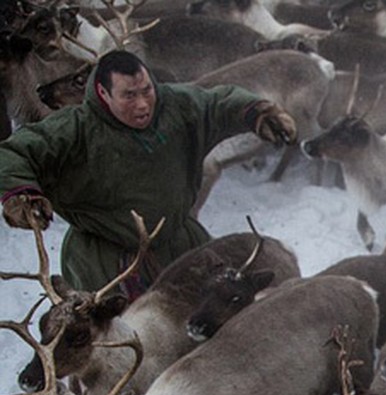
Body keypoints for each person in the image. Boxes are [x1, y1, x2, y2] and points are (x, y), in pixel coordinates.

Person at [0, 49, 297, 297]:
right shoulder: (74, 128)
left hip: (180, 244)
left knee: (209, 327)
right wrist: (20, 195)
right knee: (116, 344)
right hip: (107, 261)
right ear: (103, 93)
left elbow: (219, 103)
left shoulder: (175, 106)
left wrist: (258, 113)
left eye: (146, 91)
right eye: (129, 96)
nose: (142, 105)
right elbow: (13, 153)